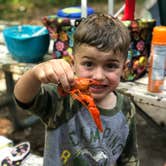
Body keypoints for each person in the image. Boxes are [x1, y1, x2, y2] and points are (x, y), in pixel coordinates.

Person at [14, 13, 139, 166]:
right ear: (73, 64)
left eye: (111, 65)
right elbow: (23, 99)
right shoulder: (61, 99)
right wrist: (34, 74)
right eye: (88, 64)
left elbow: (129, 157)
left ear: (123, 69)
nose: (98, 76)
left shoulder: (127, 108)